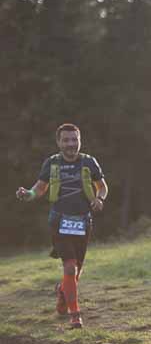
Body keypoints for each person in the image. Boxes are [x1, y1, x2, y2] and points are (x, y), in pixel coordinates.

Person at [15, 123, 108, 329]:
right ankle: (75, 315)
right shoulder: (52, 163)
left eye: (74, 139)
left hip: (83, 222)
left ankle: (63, 292)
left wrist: (99, 199)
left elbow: (102, 187)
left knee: (76, 271)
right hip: (59, 222)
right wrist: (28, 194)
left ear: (80, 141)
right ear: (58, 142)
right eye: (66, 140)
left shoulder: (89, 162)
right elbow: (40, 189)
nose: (70, 144)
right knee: (69, 267)